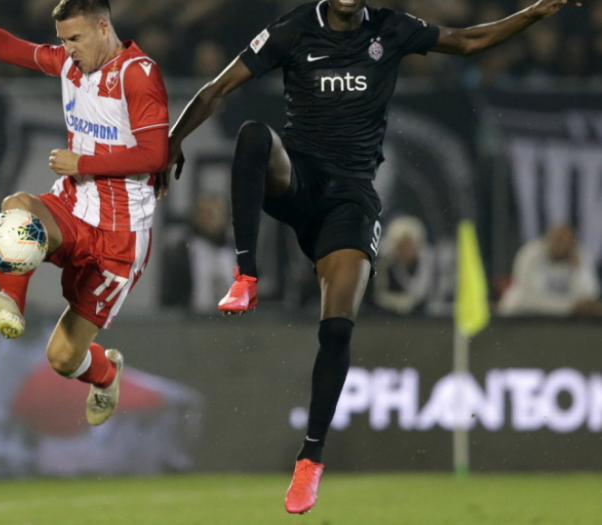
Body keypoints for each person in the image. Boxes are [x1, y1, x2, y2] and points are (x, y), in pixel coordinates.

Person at [160, 0, 580, 514]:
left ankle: (310, 460)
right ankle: (246, 275)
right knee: (253, 136)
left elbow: (468, 41)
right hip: (299, 180)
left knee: (337, 328)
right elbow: (217, 88)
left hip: (351, 202)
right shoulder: (294, 29)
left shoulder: (391, 29)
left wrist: (536, 11)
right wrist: (173, 139)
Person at [0, 0, 168, 426]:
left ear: (104, 28)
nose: (69, 49)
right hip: (72, 208)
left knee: (63, 359)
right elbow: (8, 47)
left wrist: (82, 162)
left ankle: (106, 374)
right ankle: (10, 302)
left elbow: (154, 155)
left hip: (118, 237)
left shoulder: (138, 73)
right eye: (63, 40)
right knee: (17, 208)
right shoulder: (69, 63)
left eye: (76, 38)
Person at [498, 224, 602, 317]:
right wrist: (568, 306)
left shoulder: (579, 256)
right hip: (524, 315)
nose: (561, 244)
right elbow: (529, 297)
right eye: (558, 239)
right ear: (548, 238)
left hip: (563, 319)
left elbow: (588, 297)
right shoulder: (531, 253)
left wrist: (577, 270)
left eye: (566, 240)